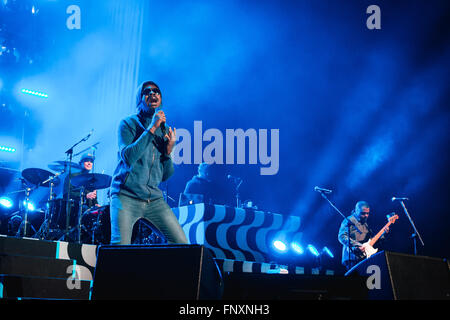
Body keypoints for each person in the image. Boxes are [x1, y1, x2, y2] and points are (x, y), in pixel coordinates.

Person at [109, 80, 188, 245]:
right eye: (147, 91)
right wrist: (151, 128)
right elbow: (128, 157)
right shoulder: (128, 124)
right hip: (126, 196)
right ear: (140, 99)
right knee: (119, 247)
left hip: (153, 200)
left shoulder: (164, 129)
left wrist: (168, 151)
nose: (153, 94)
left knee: (182, 244)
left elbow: (166, 175)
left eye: (156, 91)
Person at [338, 201, 387, 271]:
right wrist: (358, 245)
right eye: (363, 213)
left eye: (367, 213)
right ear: (356, 211)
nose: (366, 215)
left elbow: (371, 240)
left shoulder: (365, 223)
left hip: (363, 257)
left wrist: (383, 234)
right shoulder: (349, 220)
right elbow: (342, 236)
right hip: (352, 257)